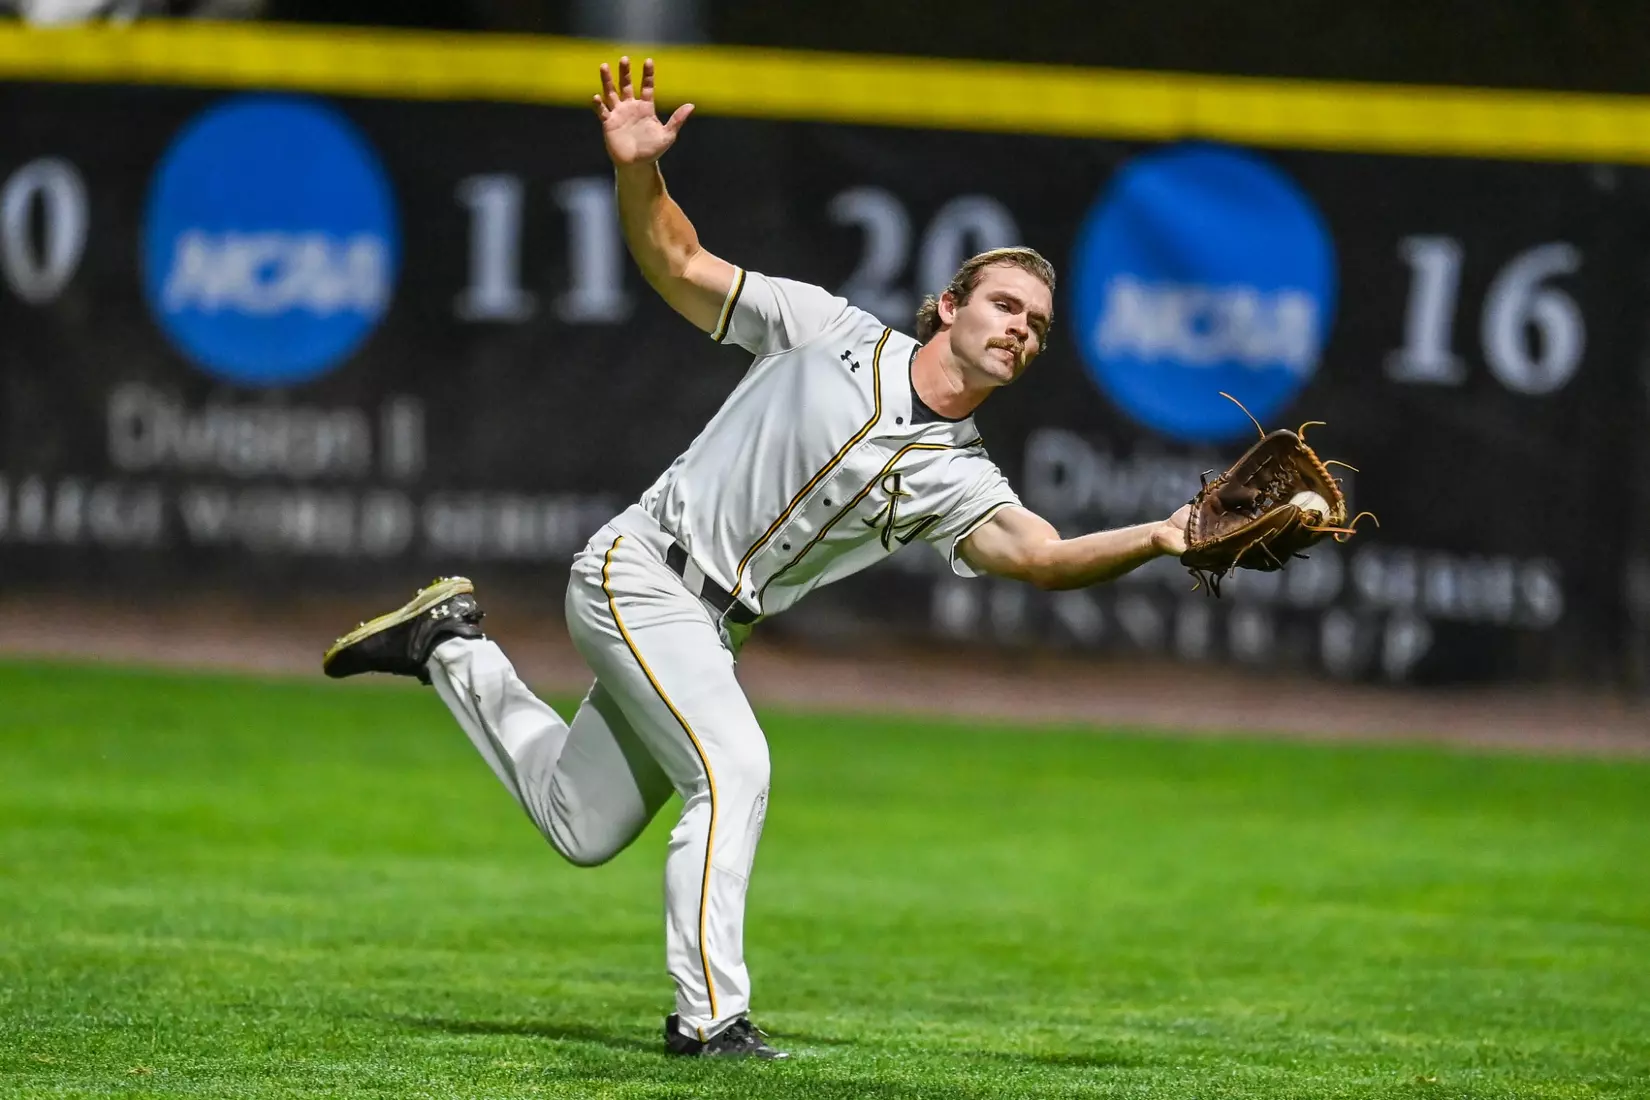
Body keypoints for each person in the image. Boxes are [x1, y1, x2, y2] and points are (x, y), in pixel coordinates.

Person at [322, 56, 1192, 1060]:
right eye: (1004, 305)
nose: (1020, 329)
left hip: (708, 627)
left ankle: (450, 644)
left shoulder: (961, 474)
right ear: (950, 305)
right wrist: (637, 172)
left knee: (580, 821)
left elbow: (1042, 554)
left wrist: (1160, 535)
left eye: (1037, 325)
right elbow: (678, 261)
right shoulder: (829, 330)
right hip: (641, 569)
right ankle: (709, 1019)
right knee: (734, 768)